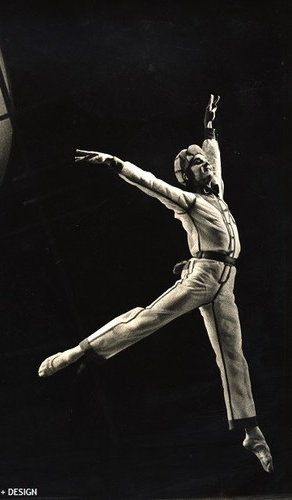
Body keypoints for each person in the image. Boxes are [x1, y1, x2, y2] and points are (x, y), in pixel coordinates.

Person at [38, 95, 273, 473]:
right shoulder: (189, 201)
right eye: (196, 164)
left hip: (225, 285)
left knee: (232, 354)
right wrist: (115, 163)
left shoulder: (219, 195)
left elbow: (215, 157)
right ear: (189, 176)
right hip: (203, 277)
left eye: (204, 161)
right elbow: (152, 184)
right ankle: (78, 352)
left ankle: (251, 431)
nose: (205, 166)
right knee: (148, 319)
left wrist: (209, 129)